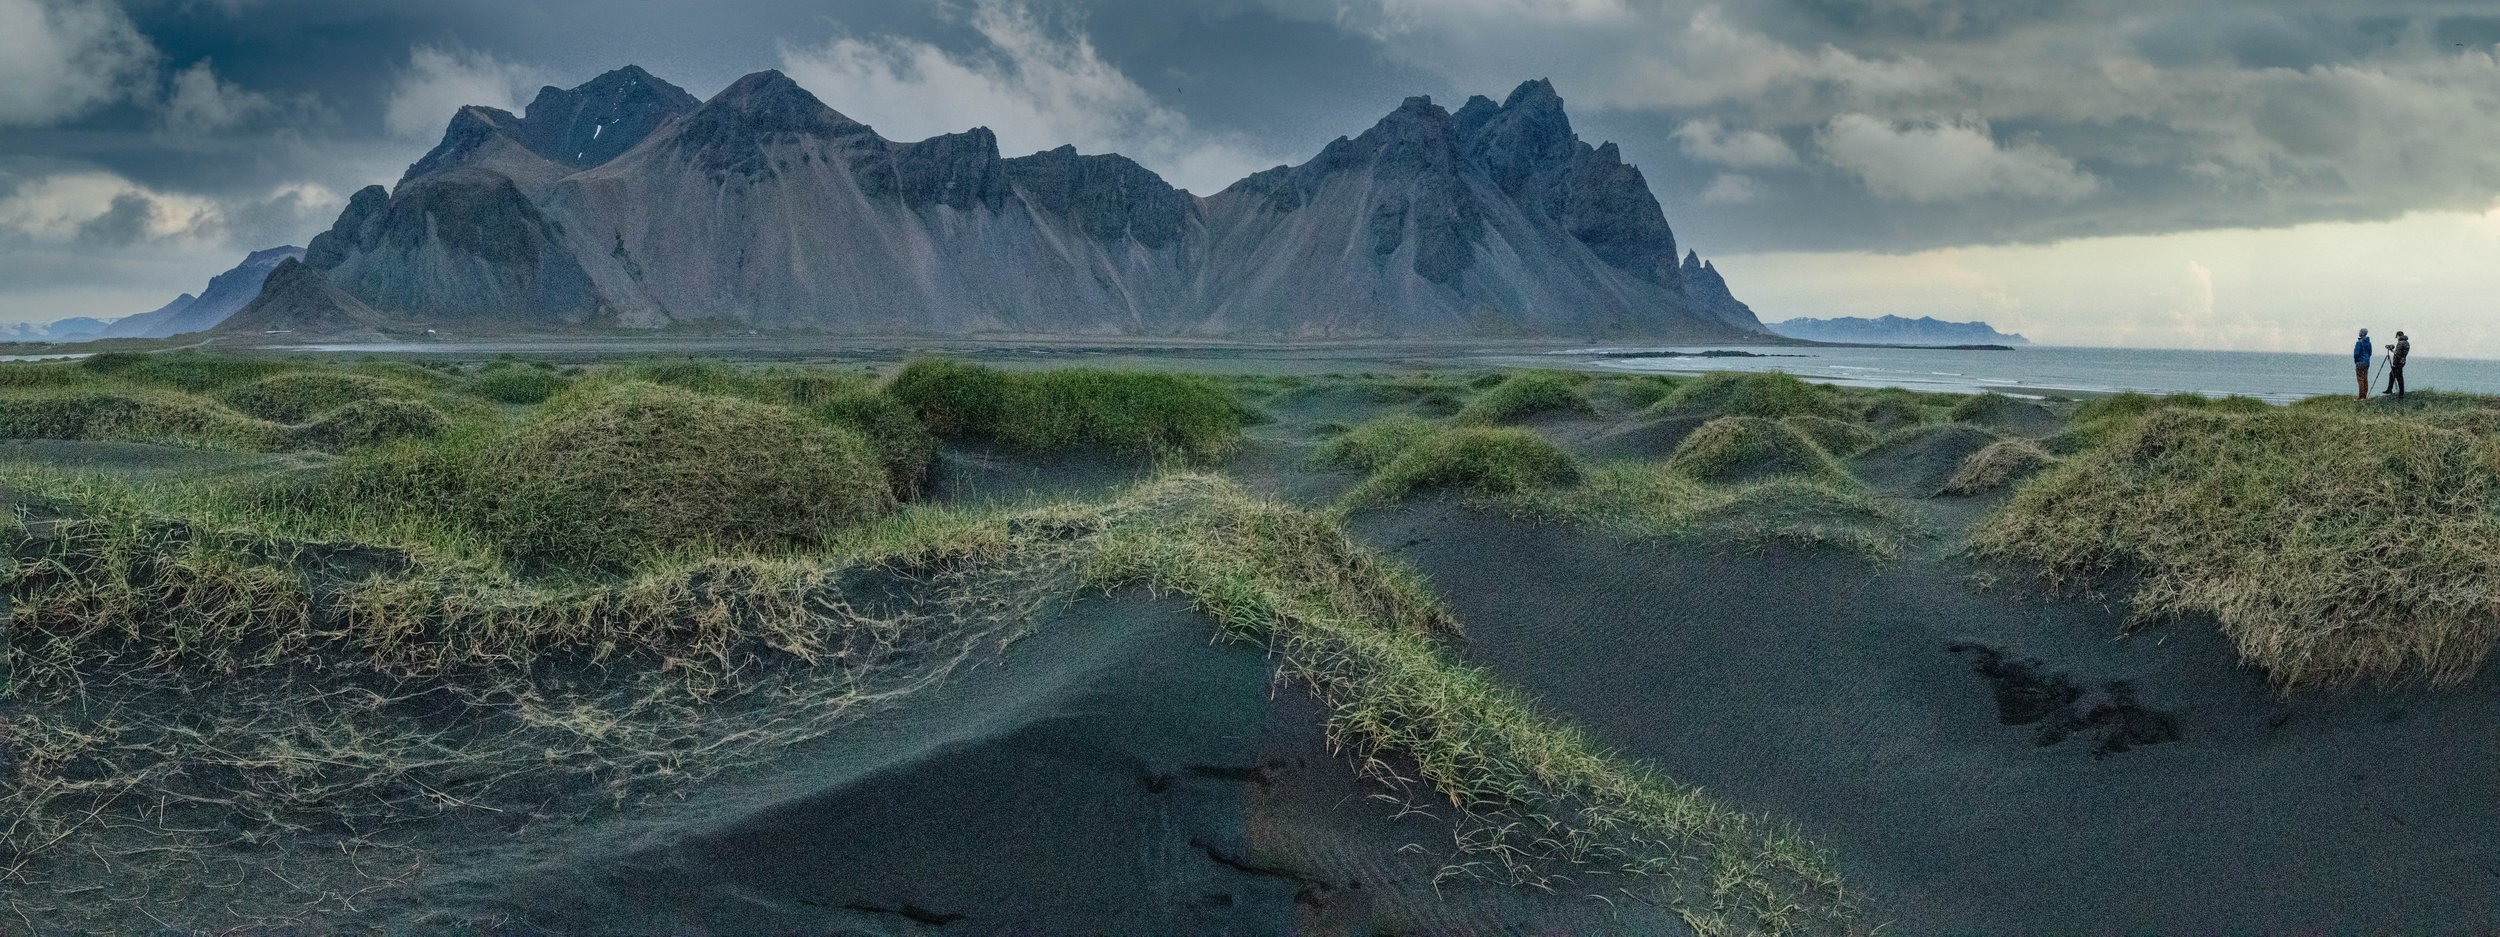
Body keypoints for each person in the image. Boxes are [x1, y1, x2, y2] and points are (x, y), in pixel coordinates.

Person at [2385, 330, 2410, 400]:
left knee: (2399, 377)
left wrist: (2391, 350)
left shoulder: (2400, 343)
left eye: (2397, 337)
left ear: (2398, 336)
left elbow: (2397, 354)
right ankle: (2390, 390)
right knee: (2392, 374)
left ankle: (2400, 394)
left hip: (2398, 362)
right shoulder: (2407, 343)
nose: (2397, 338)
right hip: (2402, 361)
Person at [2353, 328, 2373, 400]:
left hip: (2360, 362)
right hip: (2367, 362)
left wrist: (2356, 361)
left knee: (2360, 379)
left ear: (2361, 333)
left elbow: (2356, 354)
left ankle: (2361, 396)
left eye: (2360, 331)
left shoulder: (2359, 342)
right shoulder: (2369, 343)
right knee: (2365, 379)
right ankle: (2364, 396)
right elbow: (2370, 353)